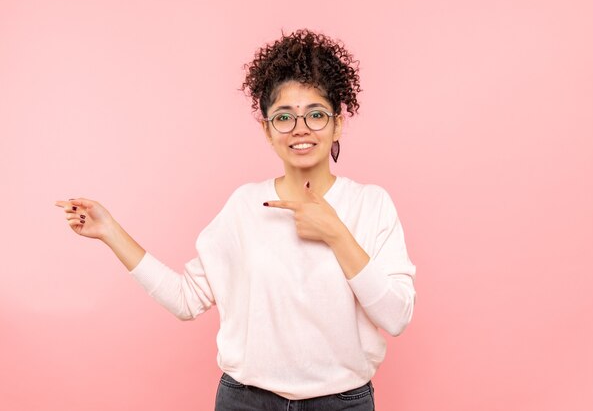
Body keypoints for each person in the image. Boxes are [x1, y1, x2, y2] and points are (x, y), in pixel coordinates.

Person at [55, 28, 416, 411]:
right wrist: (109, 230)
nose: (300, 129)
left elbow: (396, 317)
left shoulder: (371, 204)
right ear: (266, 130)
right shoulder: (244, 206)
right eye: (283, 117)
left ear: (337, 123)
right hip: (246, 401)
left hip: (342, 403)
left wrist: (336, 234)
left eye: (315, 114)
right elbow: (186, 300)